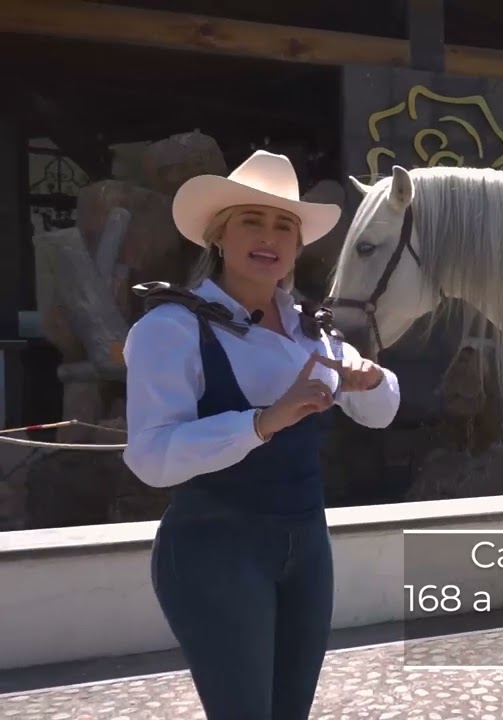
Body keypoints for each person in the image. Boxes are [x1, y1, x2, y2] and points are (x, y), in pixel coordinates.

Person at [122, 150, 401, 719]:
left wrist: (371, 379)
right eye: (252, 220)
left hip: (307, 548)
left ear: (298, 247)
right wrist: (260, 422)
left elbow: (382, 411)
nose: (269, 236)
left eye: (284, 226)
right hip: (215, 549)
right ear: (219, 236)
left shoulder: (312, 331)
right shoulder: (169, 328)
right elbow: (150, 458)